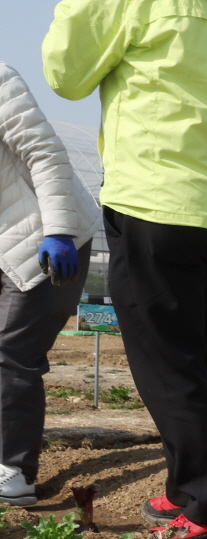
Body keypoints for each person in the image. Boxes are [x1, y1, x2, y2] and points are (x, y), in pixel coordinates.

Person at [44, 0, 207, 539]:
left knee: (168, 365)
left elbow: (65, 75)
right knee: (197, 362)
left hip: (157, 202)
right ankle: (189, 486)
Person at [0, 63, 98, 506]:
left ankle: (13, 471)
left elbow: (44, 152)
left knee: (13, 352)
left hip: (45, 236)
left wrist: (57, 230)